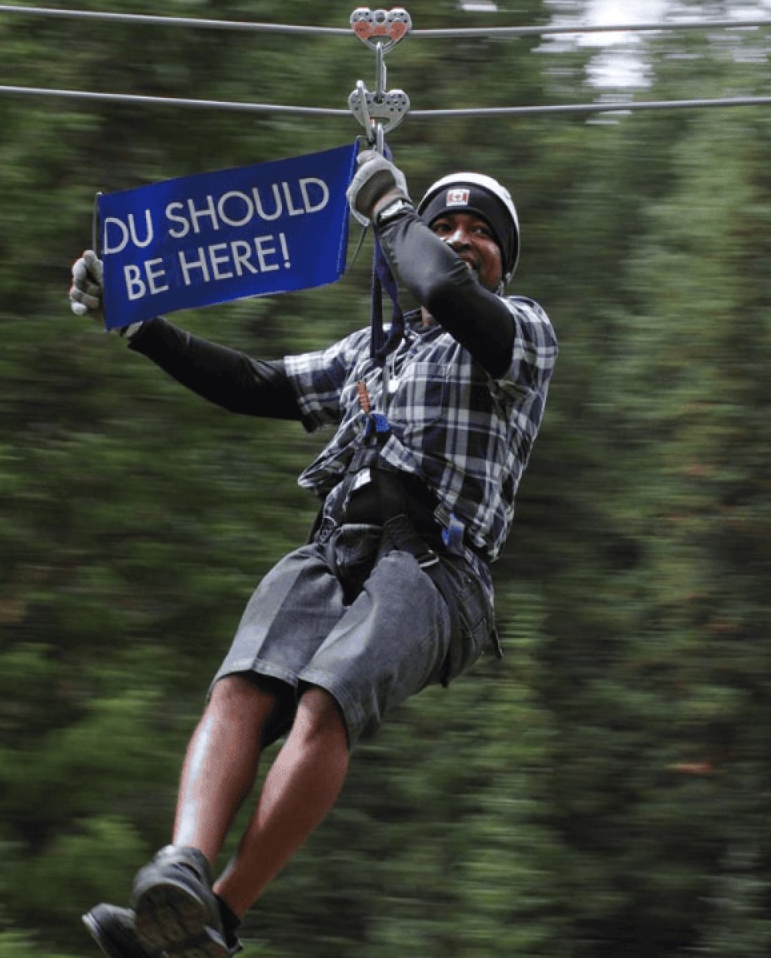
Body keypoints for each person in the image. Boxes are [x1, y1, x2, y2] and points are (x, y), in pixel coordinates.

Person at [69, 150, 557, 958]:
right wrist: (141, 324)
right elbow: (259, 383)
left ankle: (222, 916)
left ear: (504, 261)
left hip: (438, 568)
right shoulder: (373, 351)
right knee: (242, 685)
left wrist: (397, 214)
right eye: (448, 226)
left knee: (330, 695)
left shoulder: (519, 338)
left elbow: (444, 289)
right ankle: (183, 873)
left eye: (481, 233)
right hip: (337, 547)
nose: (462, 238)